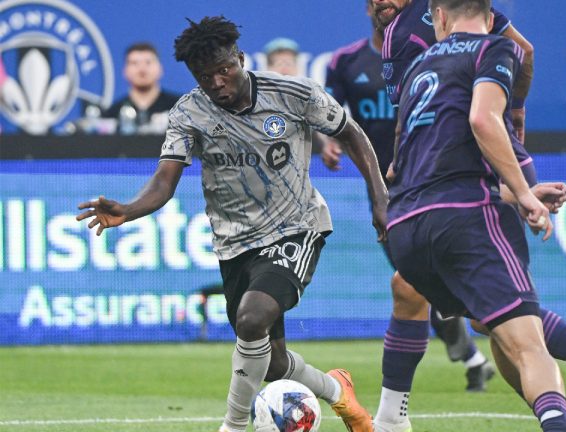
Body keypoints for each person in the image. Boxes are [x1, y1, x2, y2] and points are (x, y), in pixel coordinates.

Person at [75, 16, 388, 432]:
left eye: (226, 70)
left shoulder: (293, 92)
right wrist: (129, 209)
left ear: (241, 58)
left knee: (251, 318)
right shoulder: (189, 112)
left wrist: (380, 197)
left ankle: (234, 425)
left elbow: (352, 134)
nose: (219, 82)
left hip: (297, 226)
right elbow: (165, 180)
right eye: (207, 77)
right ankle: (337, 392)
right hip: (235, 243)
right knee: (272, 362)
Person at [372, 0, 566, 431]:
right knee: (516, 332)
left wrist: (516, 190)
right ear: (490, 16)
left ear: (438, 16)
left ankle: (390, 418)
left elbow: (398, 164)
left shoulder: (416, 62)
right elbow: (485, 117)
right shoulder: (495, 49)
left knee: (474, 311)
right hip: (464, 204)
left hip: (408, 217)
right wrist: (523, 192)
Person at [322, 0, 496, 394]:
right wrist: (326, 141)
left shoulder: (429, 46)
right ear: (368, 10)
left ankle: (474, 355)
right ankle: (474, 354)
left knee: (418, 279)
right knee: (414, 279)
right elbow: (330, 114)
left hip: (432, 176)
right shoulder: (347, 61)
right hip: (384, 185)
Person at [103, 42, 180, 134]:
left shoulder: (180, 108)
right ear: (125, 71)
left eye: (148, 62)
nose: (142, 69)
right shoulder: (112, 114)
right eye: (134, 63)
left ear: (160, 69)